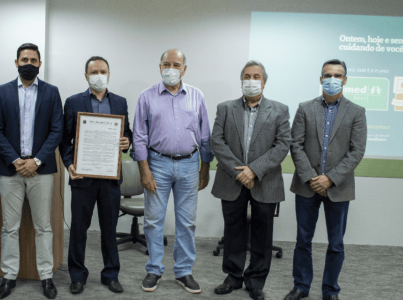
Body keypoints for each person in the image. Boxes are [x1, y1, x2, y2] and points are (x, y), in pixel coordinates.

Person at [132, 48, 213, 294]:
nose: (171, 69)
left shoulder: (197, 96)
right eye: (166, 64)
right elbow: (139, 137)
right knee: (154, 221)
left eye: (176, 64)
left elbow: (205, 136)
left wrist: (205, 168)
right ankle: (154, 269)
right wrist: (144, 171)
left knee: (186, 223)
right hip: (157, 163)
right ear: (160, 68)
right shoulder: (146, 97)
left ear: (184, 69)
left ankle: (184, 271)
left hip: (190, 164)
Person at [284, 59, 367, 300]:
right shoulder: (305, 108)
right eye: (328, 75)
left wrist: (330, 178)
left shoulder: (357, 112)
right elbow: (295, 145)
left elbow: (356, 151)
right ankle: (301, 286)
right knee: (303, 240)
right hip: (306, 186)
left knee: (336, 243)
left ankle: (330, 290)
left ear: (345, 79)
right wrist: (312, 178)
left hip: (339, 188)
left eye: (338, 75)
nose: (333, 79)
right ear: (321, 79)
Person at [210, 60, 290, 300]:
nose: (251, 81)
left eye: (256, 76)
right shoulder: (225, 108)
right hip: (231, 181)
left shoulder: (280, 109)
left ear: (263, 82)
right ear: (241, 80)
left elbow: (282, 144)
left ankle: (255, 281)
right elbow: (217, 141)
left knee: (262, 234)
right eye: (247, 76)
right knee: (233, 231)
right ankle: (233, 277)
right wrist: (239, 172)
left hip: (264, 181)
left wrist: (253, 170)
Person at [0, 43, 63, 299]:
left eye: (33, 59)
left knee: (44, 226)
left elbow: (57, 130)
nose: (28, 63)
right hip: (10, 171)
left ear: (40, 63)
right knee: (10, 227)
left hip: (41, 171)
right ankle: (8, 277)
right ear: (16, 62)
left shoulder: (52, 92)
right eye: (24, 59)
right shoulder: (2, 92)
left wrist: (37, 161)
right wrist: (16, 160)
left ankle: (46, 277)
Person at [59, 56, 132, 294]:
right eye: (94, 72)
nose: (98, 75)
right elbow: (64, 139)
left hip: (110, 178)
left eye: (103, 71)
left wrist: (126, 142)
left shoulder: (120, 102)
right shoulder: (72, 102)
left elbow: (127, 133)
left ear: (108, 74)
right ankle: (77, 275)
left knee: (109, 228)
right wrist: (69, 163)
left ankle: (111, 274)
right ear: (86, 76)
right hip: (82, 178)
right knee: (79, 228)